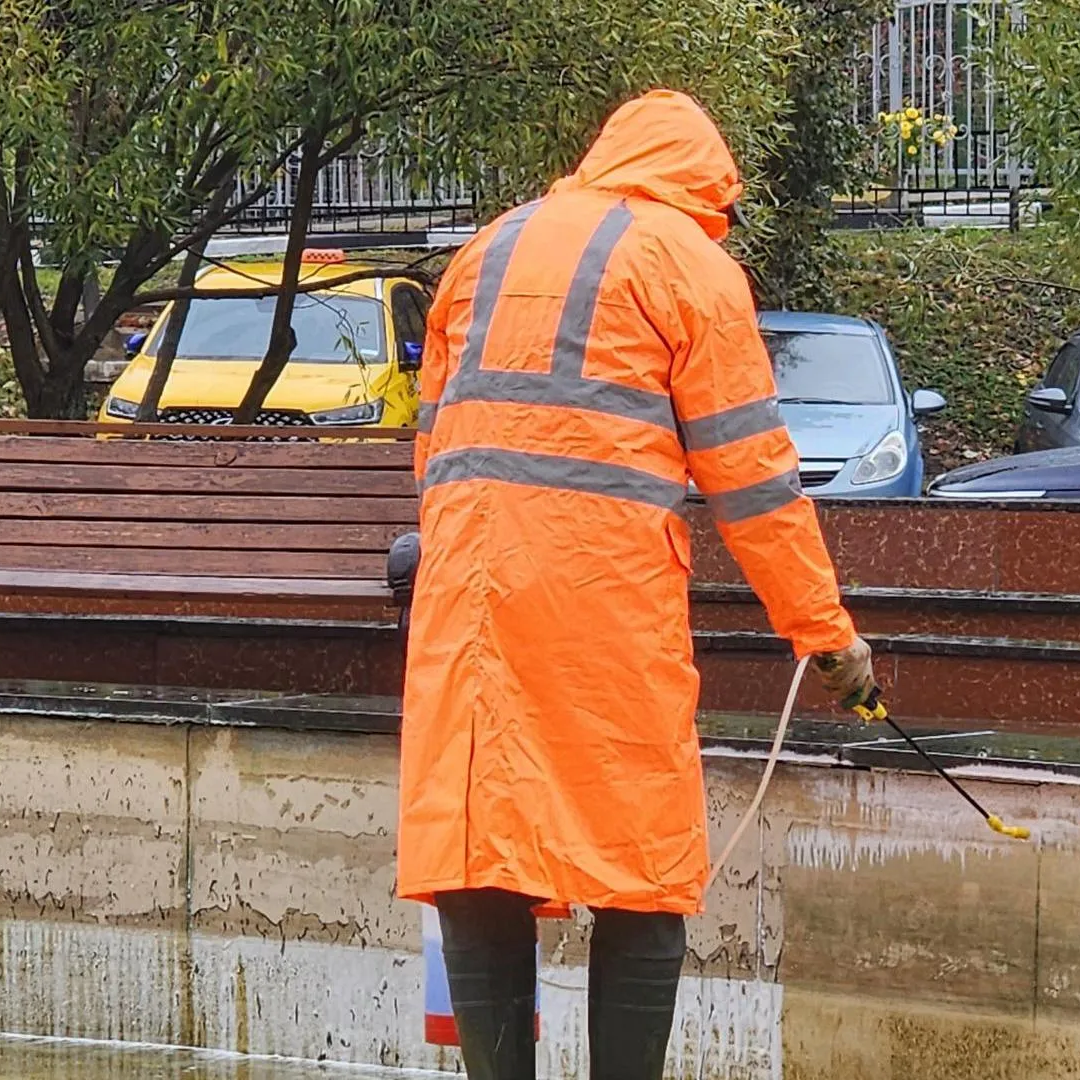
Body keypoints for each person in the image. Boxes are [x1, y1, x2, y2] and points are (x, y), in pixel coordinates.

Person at [397, 89, 878, 1080]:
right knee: (645, 862)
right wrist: (827, 637)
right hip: (606, 607)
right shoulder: (690, 267)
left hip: (469, 601)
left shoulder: (484, 252)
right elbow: (754, 481)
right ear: (710, 191)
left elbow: (436, 448)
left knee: (480, 844)